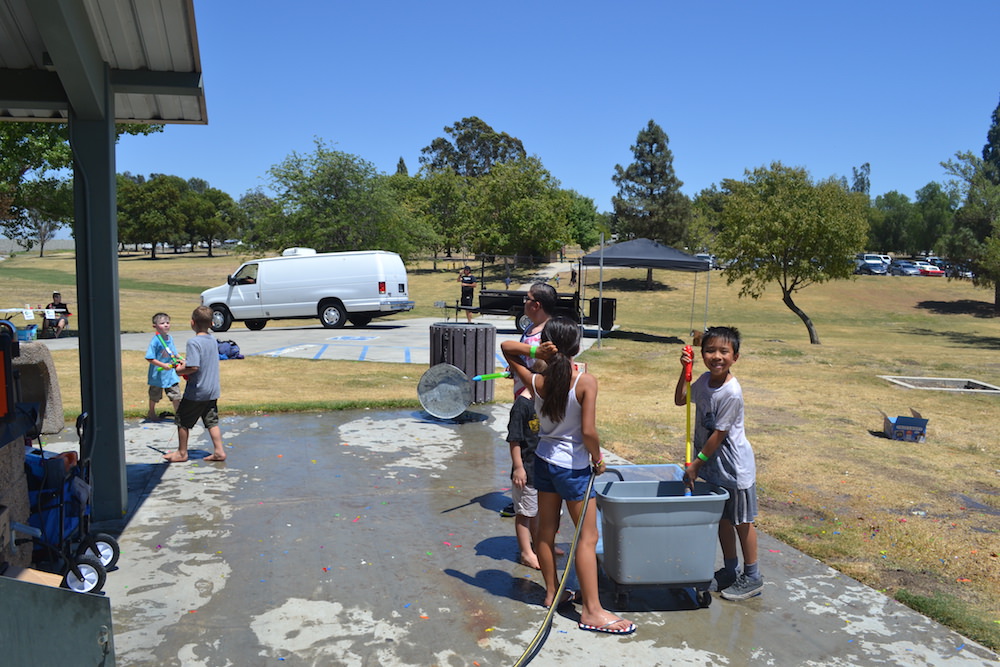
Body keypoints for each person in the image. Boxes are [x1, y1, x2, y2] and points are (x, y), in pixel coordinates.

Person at [502, 317, 636, 635]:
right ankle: (591, 611)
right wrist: (598, 458)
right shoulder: (585, 381)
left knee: (545, 535)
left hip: (544, 462)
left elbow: (507, 348)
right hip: (573, 469)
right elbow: (588, 431)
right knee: (587, 539)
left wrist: (537, 351)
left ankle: (553, 593)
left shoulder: (537, 381)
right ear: (577, 346)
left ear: (547, 345)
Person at [674, 326, 762, 601]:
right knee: (723, 520)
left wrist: (696, 465)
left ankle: (752, 576)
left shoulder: (731, 393)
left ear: (735, 357)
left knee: (741, 521)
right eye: (710, 350)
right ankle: (730, 569)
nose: (716, 356)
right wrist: (684, 372)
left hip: (733, 469)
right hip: (713, 466)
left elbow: (719, 434)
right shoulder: (702, 381)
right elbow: (680, 399)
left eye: (724, 351)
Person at [500, 282, 558, 518]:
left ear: (536, 304)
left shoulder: (549, 332)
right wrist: (514, 366)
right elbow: (516, 352)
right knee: (522, 446)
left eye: (527, 298)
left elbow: (512, 348)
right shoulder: (531, 328)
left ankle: (532, 502)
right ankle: (521, 497)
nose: (523, 302)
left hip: (537, 402)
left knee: (531, 448)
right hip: (522, 398)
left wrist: (529, 355)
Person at [163, 306, 226, 463]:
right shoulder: (212, 340)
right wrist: (187, 362)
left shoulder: (193, 342)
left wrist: (179, 369)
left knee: (182, 421)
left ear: (192, 323)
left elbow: (193, 367)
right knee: (211, 421)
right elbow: (200, 362)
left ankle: (182, 453)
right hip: (212, 390)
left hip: (197, 391)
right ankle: (219, 451)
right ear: (212, 323)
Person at [145, 312, 182, 421]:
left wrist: (181, 359)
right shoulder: (155, 341)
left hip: (170, 373)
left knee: (176, 395)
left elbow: (174, 353)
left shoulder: (170, 338)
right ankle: (151, 412)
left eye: (167, 322)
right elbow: (149, 357)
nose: (166, 325)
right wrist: (163, 365)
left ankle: (179, 415)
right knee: (154, 395)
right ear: (155, 326)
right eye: (162, 323)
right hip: (158, 374)